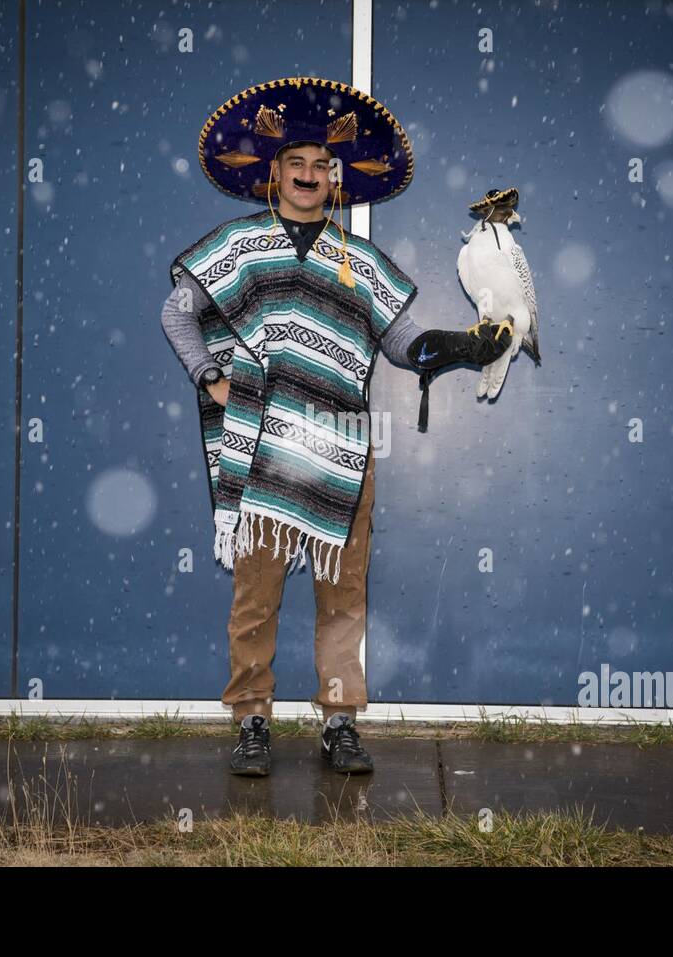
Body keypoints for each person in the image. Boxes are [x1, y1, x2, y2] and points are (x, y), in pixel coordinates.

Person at [160, 77, 511, 776]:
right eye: (299, 163)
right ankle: (252, 720)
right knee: (255, 593)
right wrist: (211, 378)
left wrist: (464, 346)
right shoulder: (241, 245)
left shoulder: (362, 263)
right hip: (261, 443)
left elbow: (404, 342)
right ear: (275, 172)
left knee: (343, 593)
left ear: (335, 178)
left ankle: (340, 722)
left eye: (323, 165)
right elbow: (176, 313)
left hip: (340, 448)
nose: (311, 176)